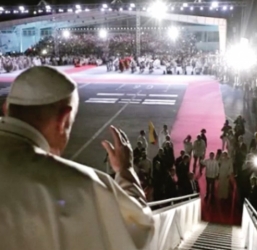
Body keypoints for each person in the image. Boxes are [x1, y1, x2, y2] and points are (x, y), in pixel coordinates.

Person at [0, 66, 154, 250]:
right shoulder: (80, 185)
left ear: (6, 109)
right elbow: (140, 227)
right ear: (64, 120)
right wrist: (126, 171)